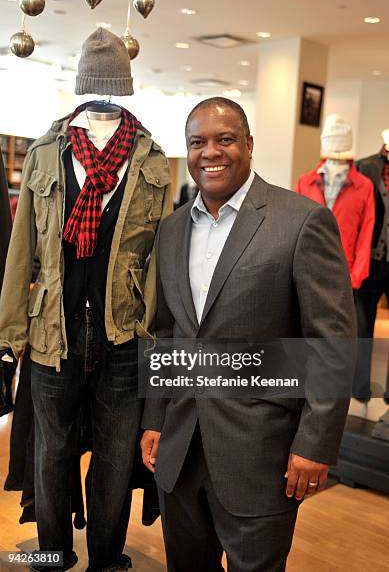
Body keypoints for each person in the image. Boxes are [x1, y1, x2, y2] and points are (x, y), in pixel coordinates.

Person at [141, 97, 356, 572]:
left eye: (224, 139)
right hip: (179, 451)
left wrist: (314, 444)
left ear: (249, 145)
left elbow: (332, 342)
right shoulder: (171, 230)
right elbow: (165, 332)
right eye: (198, 142)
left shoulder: (300, 221)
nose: (210, 152)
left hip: (261, 456)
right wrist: (155, 417)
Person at [0, 29, 172, 572]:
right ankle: (54, 553)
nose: (103, 96)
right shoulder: (46, 152)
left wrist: (158, 334)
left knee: (117, 457)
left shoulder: (151, 156)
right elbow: (22, 246)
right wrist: (9, 336)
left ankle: (105, 556)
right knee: (52, 453)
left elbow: (160, 255)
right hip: (53, 328)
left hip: (124, 334)